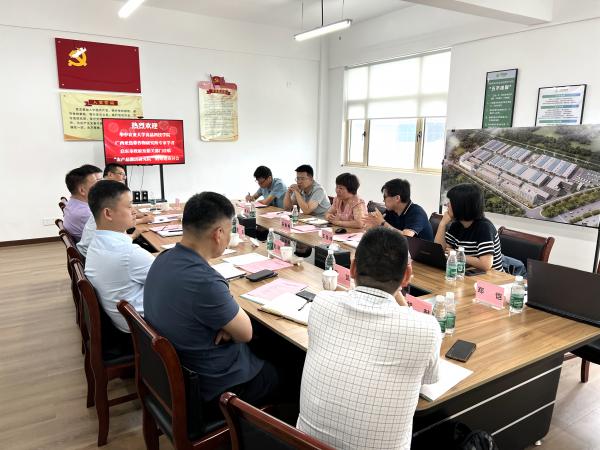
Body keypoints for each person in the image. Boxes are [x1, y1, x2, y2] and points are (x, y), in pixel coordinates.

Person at [297, 227, 441, 450]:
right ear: (407, 276)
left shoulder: (322, 302)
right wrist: (397, 286)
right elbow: (430, 380)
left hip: (302, 445)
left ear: (352, 268)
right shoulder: (426, 328)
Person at [144, 192, 279, 413]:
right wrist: (227, 320)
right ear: (218, 233)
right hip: (214, 388)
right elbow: (245, 333)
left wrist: (224, 321)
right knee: (288, 363)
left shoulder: (163, 258)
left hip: (177, 374)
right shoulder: (205, 281)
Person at [84, 180, 155, 333]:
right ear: (108, 213)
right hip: (146, 330)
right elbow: (176, 283)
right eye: (129, 206)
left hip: (125, 322)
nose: (134, 211)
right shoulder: (129, 254)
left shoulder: (96, 243)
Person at [77, 163, 152, 257]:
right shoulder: (105, 193)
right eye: (121, 174)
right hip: (99, 253)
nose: (124, 178)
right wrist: (141, 222)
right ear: (110, 174)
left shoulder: (104, 194)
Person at [435, 183, 504, 272]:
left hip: (491, 278)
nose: (447, 204)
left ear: (461, 205)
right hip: (466, 273)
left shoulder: (484, 227)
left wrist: (457, 255)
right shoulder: (457, 225)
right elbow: (440, 251)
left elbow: (485, 264)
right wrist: (442, 224)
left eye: (451, 202)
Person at [364, 178, 433, 241]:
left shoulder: (417, 213)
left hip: (421, 250)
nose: (383, 200)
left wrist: (382, 223)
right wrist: (373, 225)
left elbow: (406, 237)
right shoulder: (391, 211)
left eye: (385, 197)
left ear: (397, 198)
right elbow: (384, 231)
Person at [62, 164, 103, 242]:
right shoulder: (86, 213)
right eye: (97, 183)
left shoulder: (73, 204)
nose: (103, 186)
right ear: (82, 190)